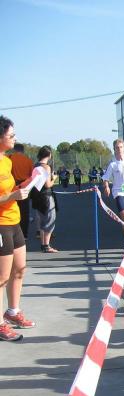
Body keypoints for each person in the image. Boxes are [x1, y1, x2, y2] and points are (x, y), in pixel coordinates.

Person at [0, 116, 33, 342]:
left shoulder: (7, 161)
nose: (14, 138)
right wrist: (12, 196)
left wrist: (24, 186)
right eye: (11, 135)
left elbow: (8, 189)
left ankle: (12, 311)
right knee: (1, 277)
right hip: (1, 224)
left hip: (14, 221)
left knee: (19, 269)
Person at [29, 146, 58, 253]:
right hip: (46, 196)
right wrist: (54, 178)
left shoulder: (35, 165)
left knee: (42, 220)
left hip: (37, 195)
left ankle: (43, 244)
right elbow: (48, 184)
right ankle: (46, 245)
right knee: (50, 220)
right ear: (49, 155)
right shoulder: (46, 167)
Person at [9, 143, 33, 238]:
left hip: (13, 186)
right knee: (24, 211)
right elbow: (32, 176)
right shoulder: (28, 161)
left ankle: (12, 232)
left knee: (11, 209)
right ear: (23, 151)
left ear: (14, 150)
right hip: (25, 186)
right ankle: (24, 234)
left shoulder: (9, 159)